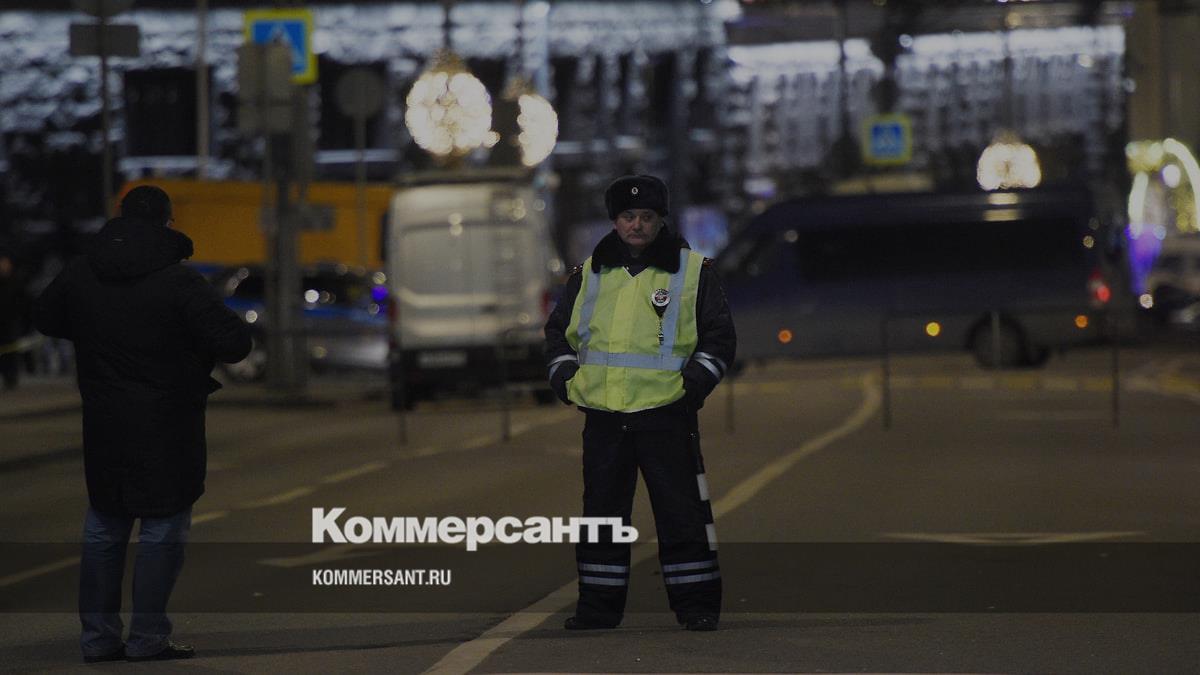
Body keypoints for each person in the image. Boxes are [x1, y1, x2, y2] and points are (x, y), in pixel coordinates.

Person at [34, 186, 252, 662]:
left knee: (104, 526)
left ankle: (98, 639)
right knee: (162, 528)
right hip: (167, 421)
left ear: (120, 218)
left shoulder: (82, 273)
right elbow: (235, 343)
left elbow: (45, 317)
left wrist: (94, 331)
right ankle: (148, 637)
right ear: (167, 225)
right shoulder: (178, 282)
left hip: (105, 420)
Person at [544, 174, 736, 632]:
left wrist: (693, 386)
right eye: (628, 216)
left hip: (666, 414)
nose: (637, 225)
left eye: (646, 216)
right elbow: (558, 333)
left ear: (660, 220)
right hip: (604, 417)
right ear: (615, 220)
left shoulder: (693, 272)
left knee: (681, 514)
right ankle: (597, 610)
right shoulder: (588, 274)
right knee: (601, 518)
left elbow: (719, 338)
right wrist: (565, 379)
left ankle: (697, 607)